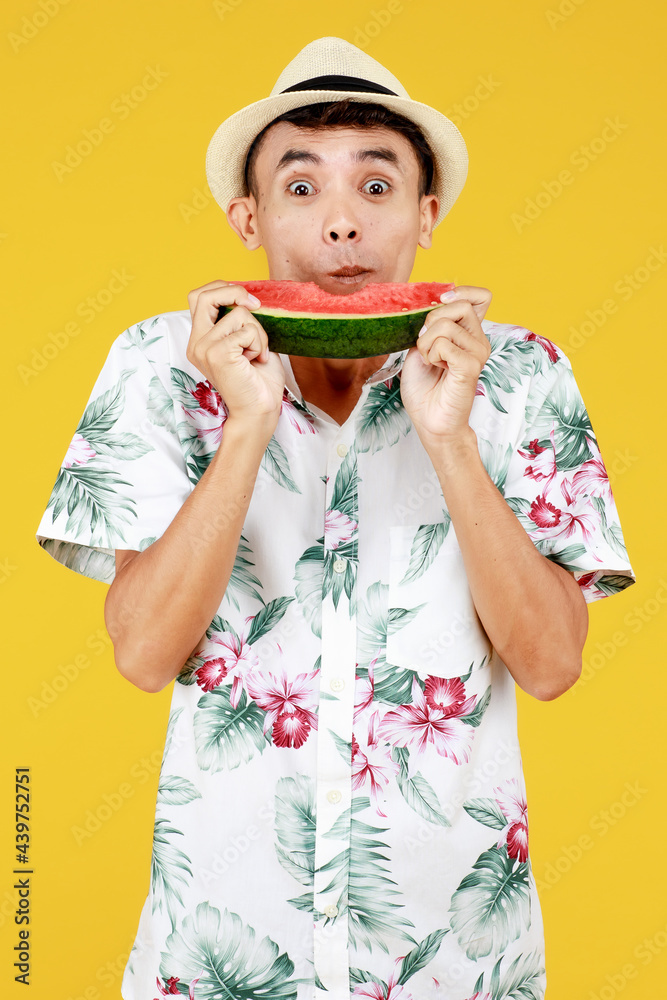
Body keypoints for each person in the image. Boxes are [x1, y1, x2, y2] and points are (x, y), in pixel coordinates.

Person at [36, 36, 635, 1000]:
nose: (343, 225)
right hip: (215, 958)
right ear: (249, 216)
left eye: (377, 184)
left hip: (455, 968)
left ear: (426, 214)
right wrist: (247, 425)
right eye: (302, 187)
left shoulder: (522, 376)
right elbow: (143, 654)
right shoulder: (159, 365)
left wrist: (448, 437)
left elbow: (552, 664)